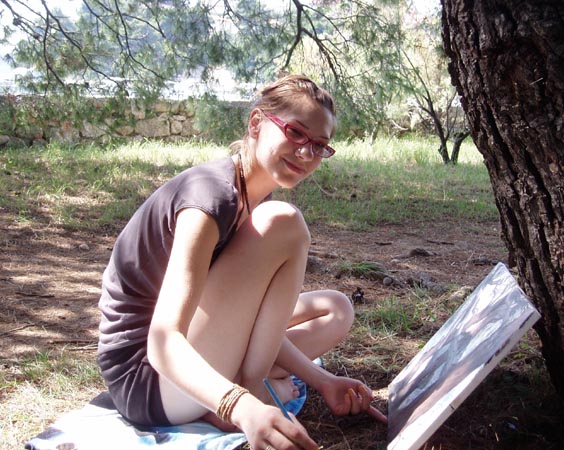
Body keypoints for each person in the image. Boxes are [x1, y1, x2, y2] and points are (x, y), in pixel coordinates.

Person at [97, 74, 387, 450]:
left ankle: (244, 385)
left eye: (319, 145)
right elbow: (164, 340)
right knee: (283, 223)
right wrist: (241, 406)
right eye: (296, 133)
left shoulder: (251, 200)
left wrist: (322, 381)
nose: (306, 153)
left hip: (189, 359)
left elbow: (247, 321)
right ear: (256, 124)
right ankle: (246, 389)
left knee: (336, 308)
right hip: (149, 382)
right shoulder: (209, 201)